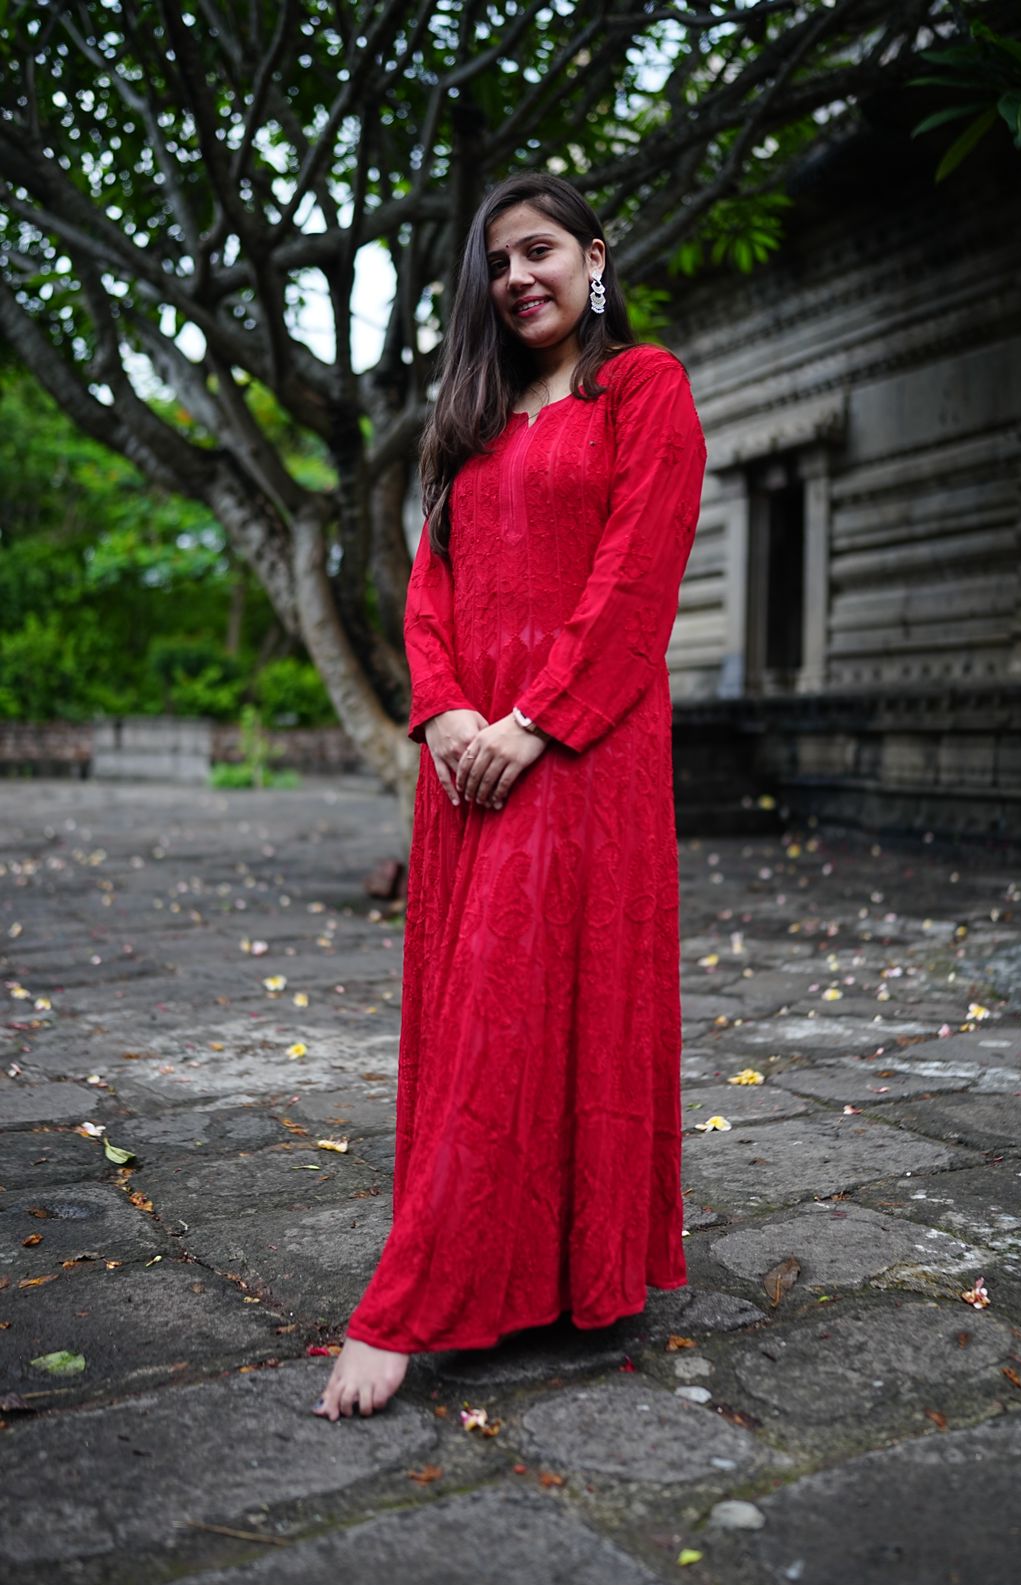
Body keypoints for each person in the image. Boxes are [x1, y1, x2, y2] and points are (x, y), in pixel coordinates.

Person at [313, 172, 706, 1421]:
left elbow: (637, 577)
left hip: (581, 753)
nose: (519, 277)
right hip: (466, 760)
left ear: (596, 258)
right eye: (499, 262)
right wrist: (442, 715)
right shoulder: (470, 422)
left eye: (540, 251)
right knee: (488, 1009)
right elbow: (432, 587)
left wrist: (535, 723)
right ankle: (511, 1277)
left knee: (519, 1002)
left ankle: (407, 1305)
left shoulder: (642, 389)